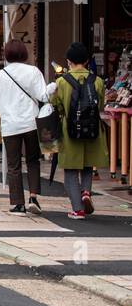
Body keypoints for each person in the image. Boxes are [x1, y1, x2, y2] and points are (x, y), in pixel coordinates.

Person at [49, 41, 108, 221]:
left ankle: (78, 210)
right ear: (87, 60)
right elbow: (101, 104)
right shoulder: (97, 81)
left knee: (71, 171)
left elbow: (55, 106)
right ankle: (86, 193)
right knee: (88, 166)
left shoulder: (61, 81)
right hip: (92, 130)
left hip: (70, 130)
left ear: (68, 61)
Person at [0, 40, 46, 215]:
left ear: (7, 54)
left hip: (10, 125)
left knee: (13, 165)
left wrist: (8, 107)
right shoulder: (34, 71)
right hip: (31, 123)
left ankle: (18, 203)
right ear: (24, 53)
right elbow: (42, 95)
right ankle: (33, 197)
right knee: (33, 160)